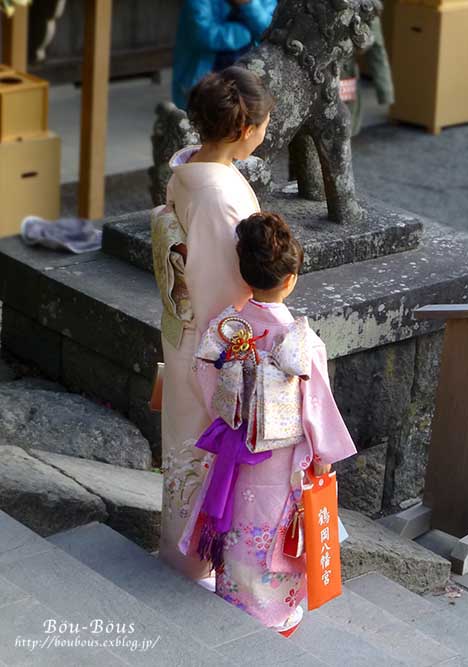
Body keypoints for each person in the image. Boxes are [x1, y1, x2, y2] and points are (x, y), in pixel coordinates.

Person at [178, 212, 357, 635]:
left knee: (239, 525)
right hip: (280, 460)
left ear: (245, 274)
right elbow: (318, 410)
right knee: (272, 537)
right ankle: (272, 617)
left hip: (234, 449)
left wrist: (237, 415)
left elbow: (206, 381)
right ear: (291, 277)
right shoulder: (301, 342)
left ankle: (231, 595)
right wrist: (323, 463)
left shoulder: (225, 328)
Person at [151, 66, 274, 580]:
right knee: (204, 454)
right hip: (212, 347)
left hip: (183, 330)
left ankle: (181, 557)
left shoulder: (187, 170)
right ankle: (193, 566)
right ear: (245, 131)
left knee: (184, 449)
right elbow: (231, 285)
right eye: (264, 124)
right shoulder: (220, 195)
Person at [172, 0, 277, 109]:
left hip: (247, 79)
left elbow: (269, 29)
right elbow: (204, 36)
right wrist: (248, 33)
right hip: (203, 80)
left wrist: (248, 4)